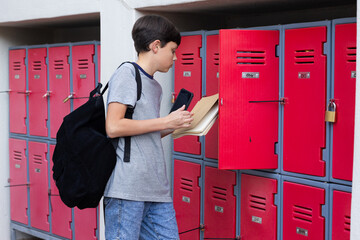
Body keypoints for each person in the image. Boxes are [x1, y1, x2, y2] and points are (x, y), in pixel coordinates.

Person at [103, 15, 193, 240]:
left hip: (155, 189)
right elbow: (113, 126)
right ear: (155, 46)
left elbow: (144, 133)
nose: (175, 57)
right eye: (172, 50)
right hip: (127, 188)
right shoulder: (127, 74)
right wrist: (165, 121)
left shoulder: (154, 85)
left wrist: (175, 124)